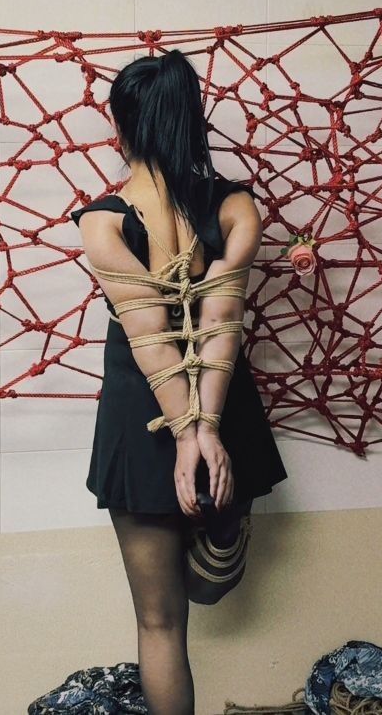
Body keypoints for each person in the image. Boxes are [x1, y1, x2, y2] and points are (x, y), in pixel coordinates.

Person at [70, 48, 287, 715]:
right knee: (210, 582)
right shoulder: (235, 207)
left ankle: (210, 534)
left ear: (121, 128)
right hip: (225, 412)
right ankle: (218, 534)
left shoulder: (103, 221)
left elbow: (149, 335)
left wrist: (185, 435)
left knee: (159, 623)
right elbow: (220, 317)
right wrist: (208, 432)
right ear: (194, 121)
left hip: (141, 420)